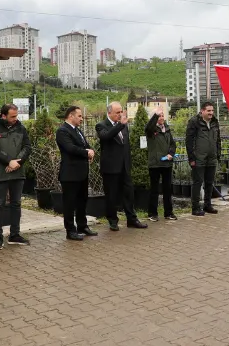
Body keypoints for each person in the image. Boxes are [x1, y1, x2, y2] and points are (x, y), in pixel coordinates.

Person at [0, 104, 32, 250]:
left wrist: (18, 162)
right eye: (12, 116)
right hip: (0, 173)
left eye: (16, 115)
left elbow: (27, 147)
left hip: (17, 172)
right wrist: (9, 161)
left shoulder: (21, 128)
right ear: (3, 115)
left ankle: (14, 235)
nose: (15, 118)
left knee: (16, 204)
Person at [96, 102, 147, 231]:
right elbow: (106, 136)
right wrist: (120, 125)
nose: (120, 114)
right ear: (109, 113)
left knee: (129, 194)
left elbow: (125, 145)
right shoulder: (101, 125)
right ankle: (113, 221)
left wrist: (128, 163)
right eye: (117, 112)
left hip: (124, 166)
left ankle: (132, 219)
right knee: (111, 196)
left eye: (121, 112)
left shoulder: (123, 126)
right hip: (110, 168)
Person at [55, 105, 97, 241]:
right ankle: (70, 230)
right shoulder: (62, 131)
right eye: (79, 116)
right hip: (70, 174)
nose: (81, 118)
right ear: (70, 116)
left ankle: (82, 226)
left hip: (82, 173)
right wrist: (86, 152)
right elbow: (70, 148)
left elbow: (85, 145)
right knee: (69, 204)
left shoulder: (77, 130)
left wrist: (90, 150)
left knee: (82, 201)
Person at [186, 101, 221, 216]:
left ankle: (207, 205)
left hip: (212, 158)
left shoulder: (215, 122)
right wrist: (191, 158)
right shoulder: (194, 122)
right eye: (208, 110)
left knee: (209, 183)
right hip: (198, 158)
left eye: (212, 110)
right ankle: (195, 208)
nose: (211, 113)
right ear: (202, 111)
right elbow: (189, 141)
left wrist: (218, 154)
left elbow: (218, 140)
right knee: (197, 183)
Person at [145, 106, 177, 222]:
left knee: (167, 189)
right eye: (159, 116)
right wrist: (155, 115)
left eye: (163, 115)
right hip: (155, 164)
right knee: (154, 189)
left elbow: (172, 144)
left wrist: (170, 154)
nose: (162, 118)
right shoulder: (151, 130)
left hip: (166, 163)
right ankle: (152, 213)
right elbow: (148, 127)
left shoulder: (167, 129)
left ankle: (168, 213)